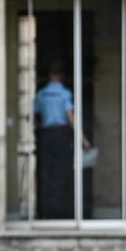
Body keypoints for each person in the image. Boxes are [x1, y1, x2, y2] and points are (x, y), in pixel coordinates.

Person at [32, 61, 88, 218]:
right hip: (61, 134)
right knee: (61, 173)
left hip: (45, 134)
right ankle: (60, 211)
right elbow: (71, 116)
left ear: (50, 75)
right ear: (62, 76)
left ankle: (45, 211)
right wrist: (83, 140)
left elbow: (34, 116)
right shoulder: (64, 93)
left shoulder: (41, 94)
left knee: (46, 173)